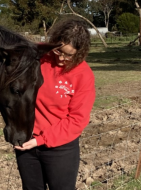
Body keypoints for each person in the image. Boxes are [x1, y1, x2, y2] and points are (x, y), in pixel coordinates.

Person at [14, 18, 96, 190]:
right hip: (27, 142)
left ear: (80, 53)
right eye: (59, 51)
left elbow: (77, 120)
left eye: (69, 55)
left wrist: (41, 140)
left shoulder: (83, 75)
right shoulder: (39, 55)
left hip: (61, 148)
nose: (62, 58)